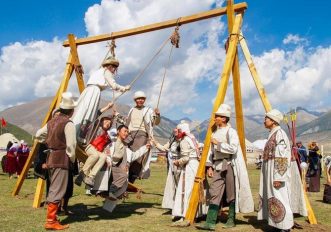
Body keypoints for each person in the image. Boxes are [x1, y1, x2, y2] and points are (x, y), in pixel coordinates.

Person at [196, 104, 254, 230]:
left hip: (228, 165)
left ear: (224, 118)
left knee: (231, 193)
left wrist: (219, 144)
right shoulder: (215, 132)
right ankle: (210, 222)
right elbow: (210, 152)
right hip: (217, 166)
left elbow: (233, 148)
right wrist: (209, 166)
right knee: (214, 191)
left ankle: (231, 220)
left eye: (217, 116)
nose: (215, 118)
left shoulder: (231, 132)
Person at [35, 92, 77, 230]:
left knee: (54, 188)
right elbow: (71, 145)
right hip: (61, 159)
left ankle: (51, 219)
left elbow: (38, 135)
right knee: (58, 190)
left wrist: (47, 142)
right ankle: (51, 221)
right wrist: (71, 158)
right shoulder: (68, 123)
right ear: (71, 111)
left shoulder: (51, 122)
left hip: (51, 158)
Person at [71, 56, 130, 143]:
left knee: (82, 110)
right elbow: (114, 85)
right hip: (94, 92)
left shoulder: (98, 71)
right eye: (114, 68)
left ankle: (74, 131)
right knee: (89, 112)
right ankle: (79, 135)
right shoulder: (107, 72)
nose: (114, 70)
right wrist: (124, 88)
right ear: (111, 66)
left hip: (87, 91)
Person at [92, 124, 150, 201]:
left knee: (117, 192)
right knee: (122, 176)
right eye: (124, 131)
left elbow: (135, 155)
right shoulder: (112, 143)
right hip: (110, 167)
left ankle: (109, 199)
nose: (126, 133)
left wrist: (145, 147)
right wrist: (108, 160)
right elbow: (106, 153)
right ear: (118, 131)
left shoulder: (127, 149)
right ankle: (108, 192)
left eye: (127, 132)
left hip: (118, 172)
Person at [258, 109, 293, 232]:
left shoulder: (280, 134)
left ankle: (285, 227)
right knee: (272, 196)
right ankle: (277, 224)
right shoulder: (272, 134)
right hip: (270, 171)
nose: (264, 121)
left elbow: (282, 156)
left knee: (280, 196)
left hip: (276, 173)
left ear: (273, 121)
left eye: (266, 118)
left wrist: (279, 177)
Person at [126, 90, 161, 183]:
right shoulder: (131, 110)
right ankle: (125, 175)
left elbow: (156, 123)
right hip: (130, 134)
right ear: (135, 100)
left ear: (144, 100)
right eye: (138, 99)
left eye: (142, 99)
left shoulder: (148, 110)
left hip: (142, 134)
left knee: (138, 156)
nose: (140, 100)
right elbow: (127, 122)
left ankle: (132, 177)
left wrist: (157, 115)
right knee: (128, 155)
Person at [171, 122, 200, 226]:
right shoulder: (193, 138)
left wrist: (177, 162)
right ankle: (195, 214)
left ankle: (184, 214)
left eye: (178, 131)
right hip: (196, 165)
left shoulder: (184, 141)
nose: (177, 133)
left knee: (185, 190)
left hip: (189, 167)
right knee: (194, 190)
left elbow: (186, 158)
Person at [75, 115, 113, 187]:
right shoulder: (94, 127)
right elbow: (95, 114)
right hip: (88, 146)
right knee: (95, 155)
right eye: (106, 121)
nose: (108, 123)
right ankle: (83, 174)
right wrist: (107, 107)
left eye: (110, 123)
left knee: (103, 156)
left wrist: (109, 159)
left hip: (96, 151)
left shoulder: (107, 136)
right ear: (102, 121)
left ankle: (91, 177)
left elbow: (106, 148)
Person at [153, 127, 181, 210]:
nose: (175, 130)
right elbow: (163, 148)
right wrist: (154, 142)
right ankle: (173, 203)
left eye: (177, 129)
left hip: (179, 165)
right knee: (172, 184)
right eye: (174, 129)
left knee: (179, 185)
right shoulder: (171, 141)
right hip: (171, 165)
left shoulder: (183, 141)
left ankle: (179, 205)